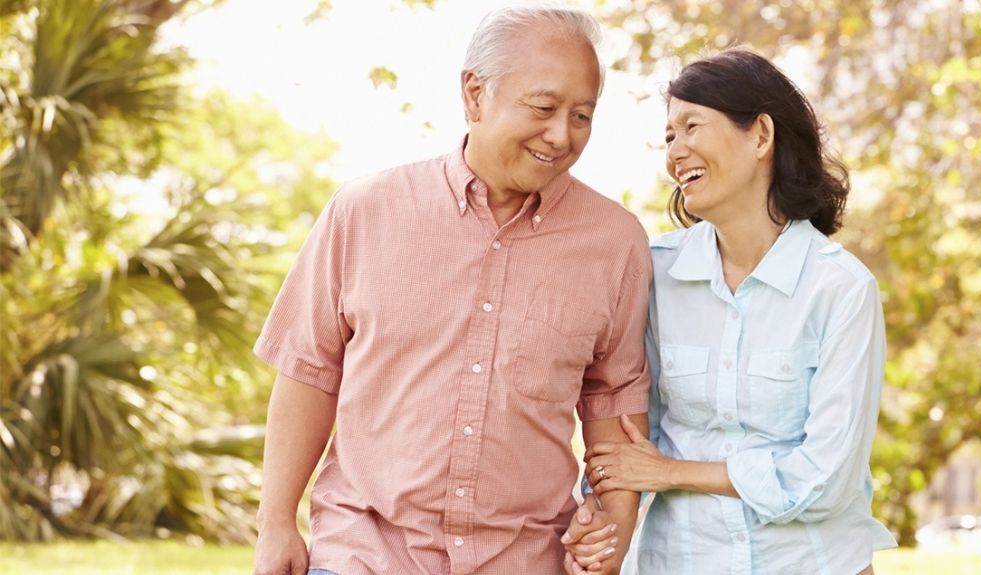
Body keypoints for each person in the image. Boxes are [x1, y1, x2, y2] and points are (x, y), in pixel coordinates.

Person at [251, 6, 649, 575]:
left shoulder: (616, 244)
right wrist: (276, 523)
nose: (561, 135)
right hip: (366, 552)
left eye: (582, 115)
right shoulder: (365, 211)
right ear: (475, 94)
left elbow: (613, 403)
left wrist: (611, 526)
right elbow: (309, 372)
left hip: (525, 559)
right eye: (543, 107)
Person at [559, 48, 896, 575]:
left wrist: (673, 473)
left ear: (761, 136)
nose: (676, 151)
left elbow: (826, 479)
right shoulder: (656, 274)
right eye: (669, 136)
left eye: (692, 126)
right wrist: (597, 520)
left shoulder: (840, 288)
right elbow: (624, 436)